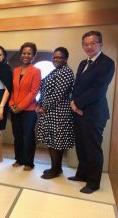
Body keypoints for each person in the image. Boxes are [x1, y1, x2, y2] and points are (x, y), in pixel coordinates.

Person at [69, 31, 115, 194]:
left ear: (100, 44)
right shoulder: (83, 63)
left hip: (94, 114)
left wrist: (77, 104)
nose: (88, 46)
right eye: (85, 44)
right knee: (81, 146)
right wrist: (73, 103)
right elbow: (78, 86)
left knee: (92, 148)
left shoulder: (107, 63)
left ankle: (93, 183)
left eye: (92, 43)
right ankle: (82, 174)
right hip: (78, 112)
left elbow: (98, 89)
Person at [36, 47, 75, 179]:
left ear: (66, 59)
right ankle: (55, 168)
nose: (56, 59)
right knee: (51, 141)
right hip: (50, 112)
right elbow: (44, 89)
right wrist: (39, 104)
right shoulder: (55, 71)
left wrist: (44, 107)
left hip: (59, 113)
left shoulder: (66, 72)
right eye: (54, 57)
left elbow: (58, 94)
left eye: (60, 57)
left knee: (57, 142)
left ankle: (56, 170)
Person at [9, 42, 41, 171]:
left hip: (29, 110)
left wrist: (20, 107)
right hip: (14, 108)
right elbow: (11, 89)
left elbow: (34, 92)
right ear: (20, 55)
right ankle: (19, 159)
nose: (26, 55)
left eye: (29, 53)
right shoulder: (16, 70)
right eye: (24, 53)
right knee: (17, 135)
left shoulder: (36, 71)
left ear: (33, 56)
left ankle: (29, 162)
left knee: (28, 136)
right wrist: (11, 104)